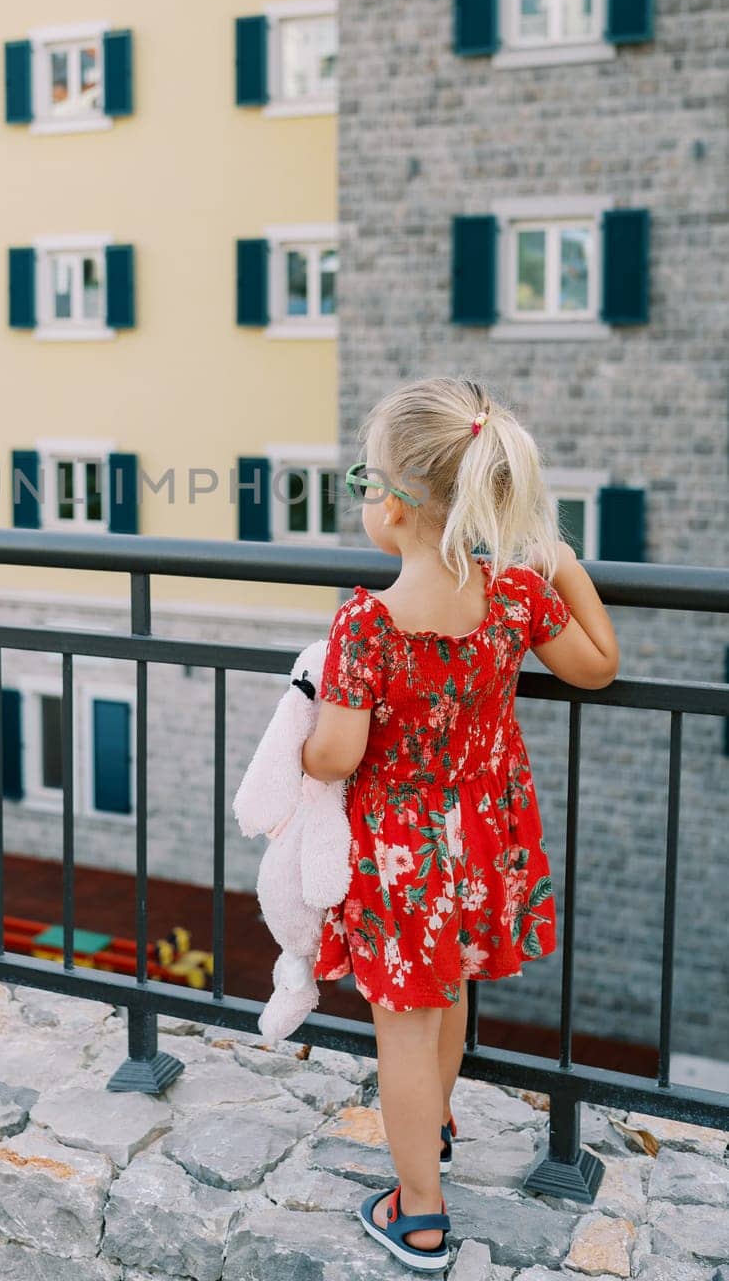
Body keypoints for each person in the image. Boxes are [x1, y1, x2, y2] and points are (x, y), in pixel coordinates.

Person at [301, 376, 619, 1272]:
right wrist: (556, 558)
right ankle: (433, 1123)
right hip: (484, 840)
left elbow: (336, 754)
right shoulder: (514, 594)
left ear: (396, 508)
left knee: (402, 1023)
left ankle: (421, 1214)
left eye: (367, 483)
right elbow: (598, 664)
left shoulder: (367, 623)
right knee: (452, 985)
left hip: (403, 854)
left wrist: (301, 750)